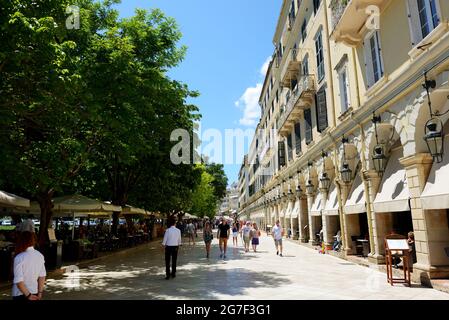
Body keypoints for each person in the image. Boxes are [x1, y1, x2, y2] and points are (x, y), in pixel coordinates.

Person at [12, 231, 46, 301]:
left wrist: (28, 295)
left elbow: (19, 281)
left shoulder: (19, 257)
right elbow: (42, 276)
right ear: (33, 241)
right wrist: (40, 293)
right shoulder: (40, 255)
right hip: (34, 292)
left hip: (20, 294)